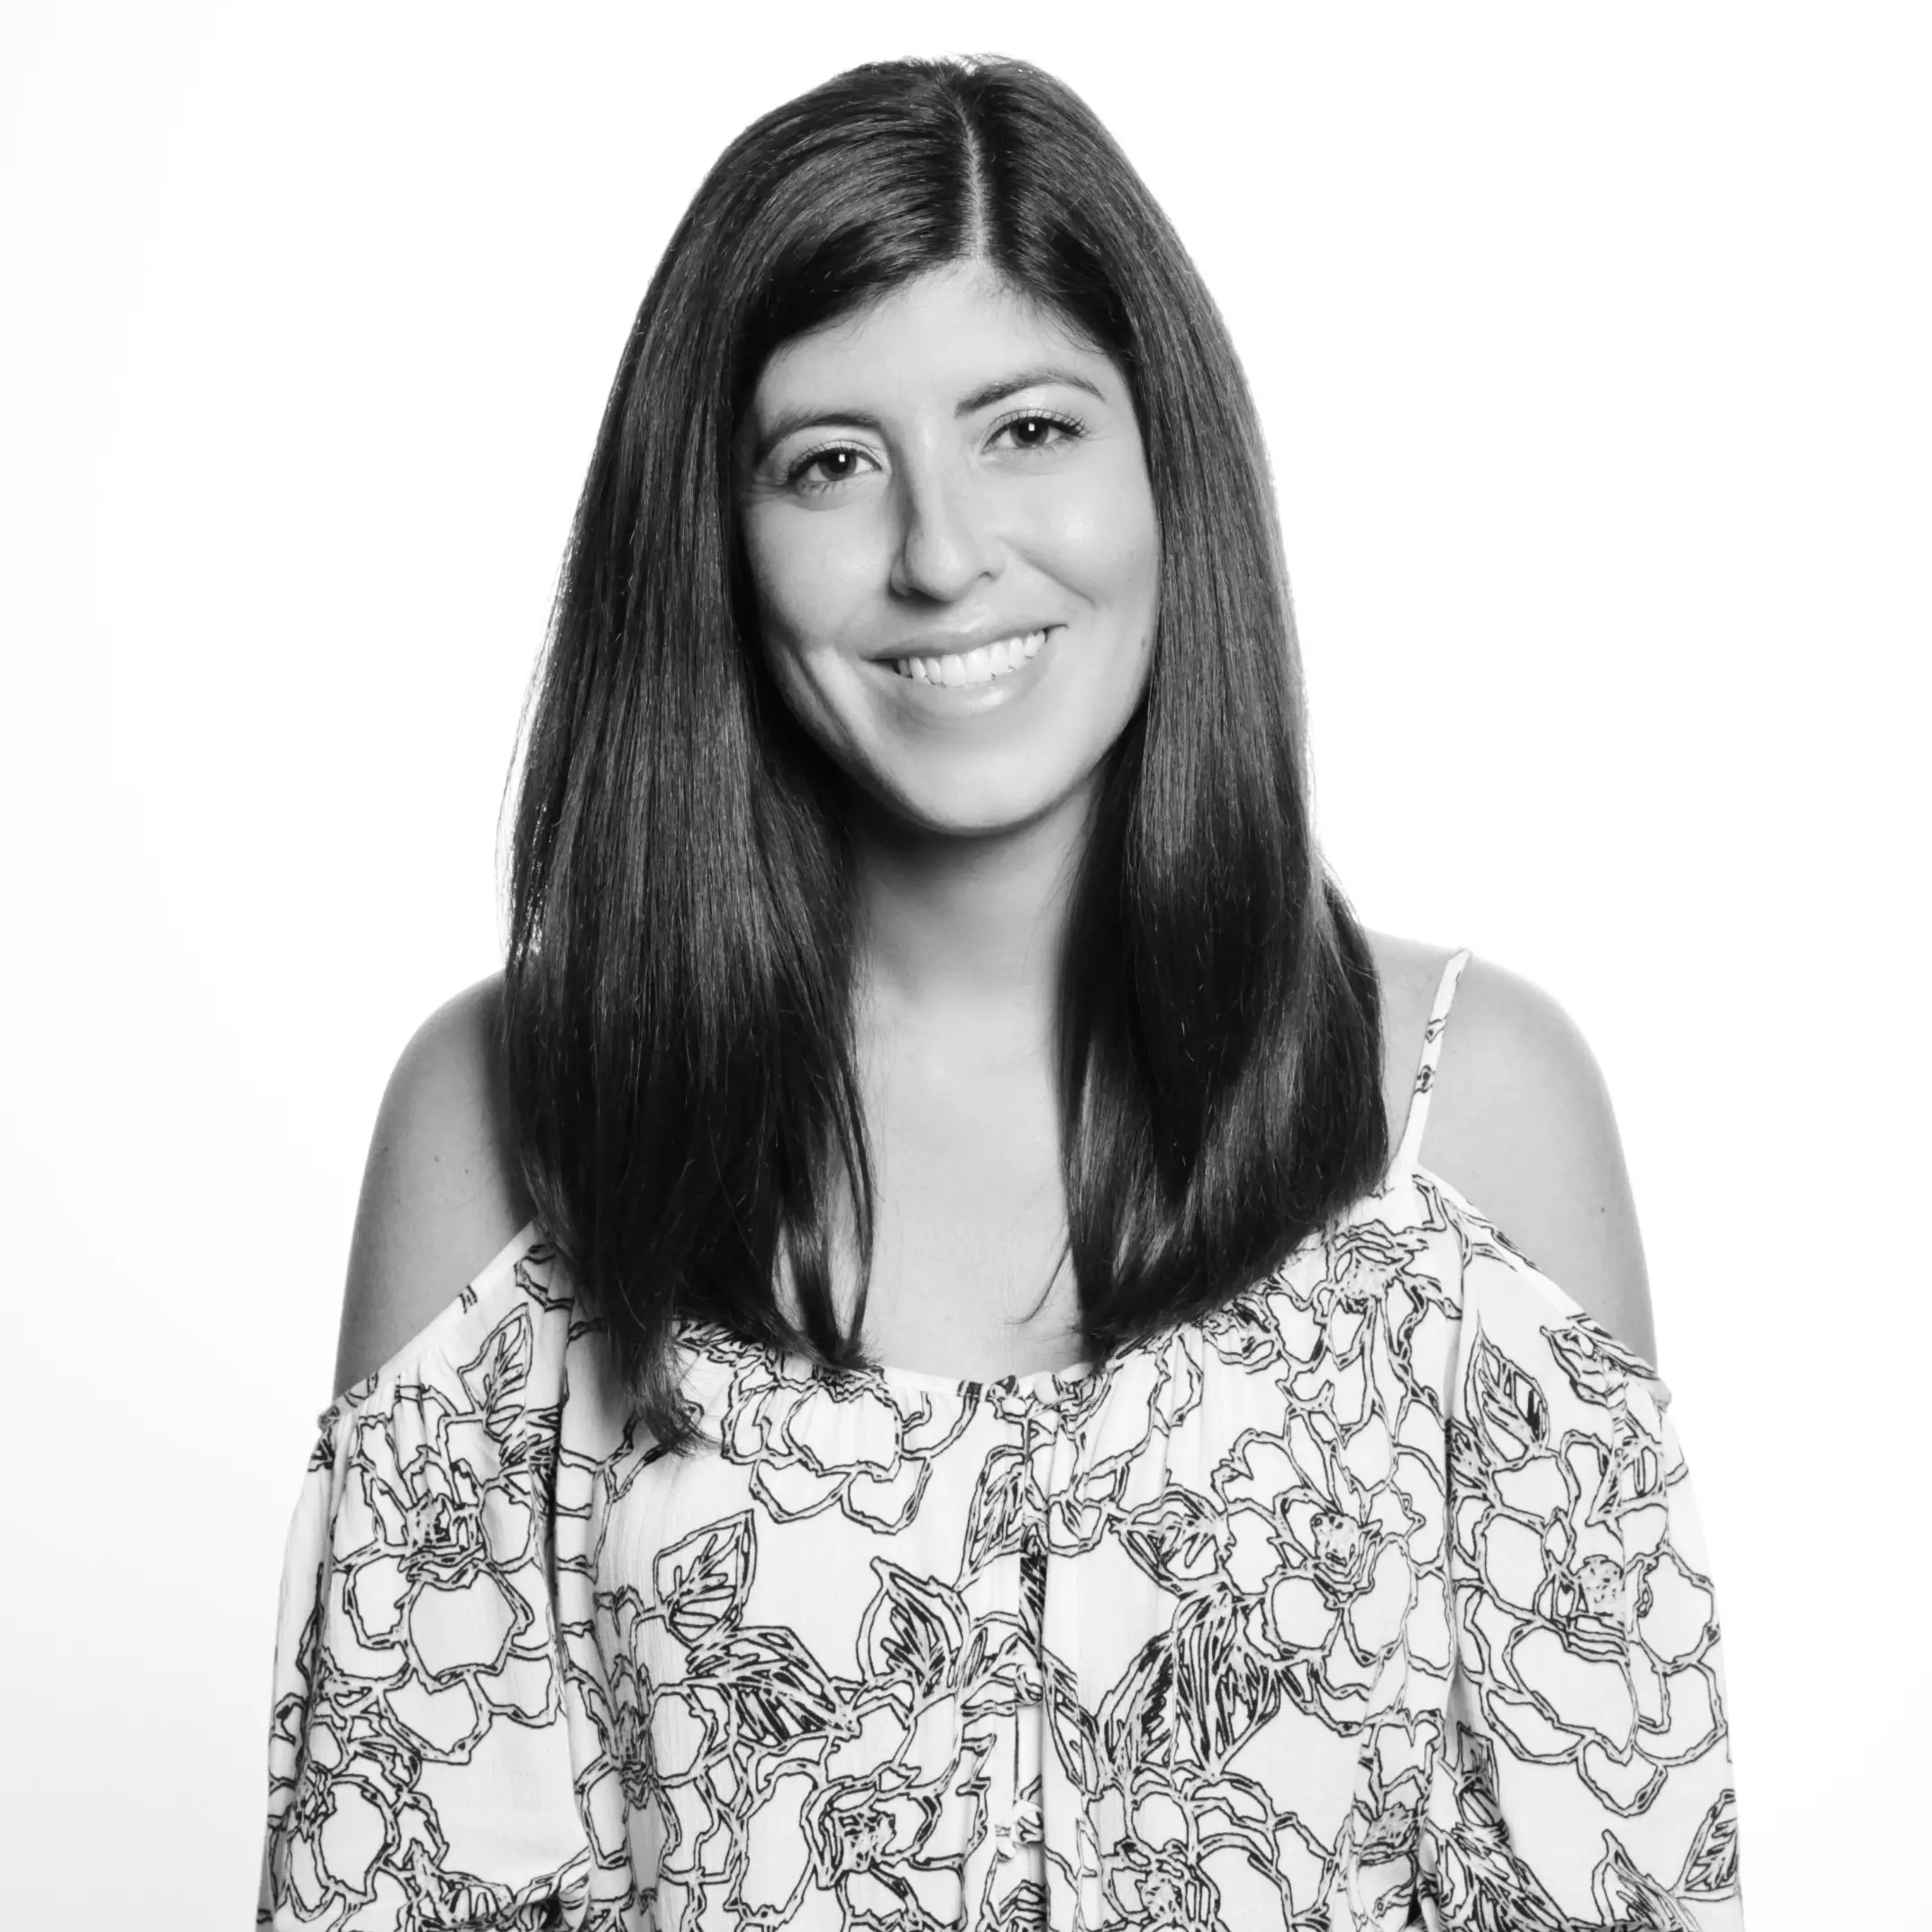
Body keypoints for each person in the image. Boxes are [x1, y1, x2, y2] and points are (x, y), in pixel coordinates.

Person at [259, 54, 1741, 1932]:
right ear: (713, 536)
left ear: (1168, 467)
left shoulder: (1462, 1122)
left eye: (1027, 429)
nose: (943, 552)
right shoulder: (511, 1122)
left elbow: (1617, 1883)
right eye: (830, 462)